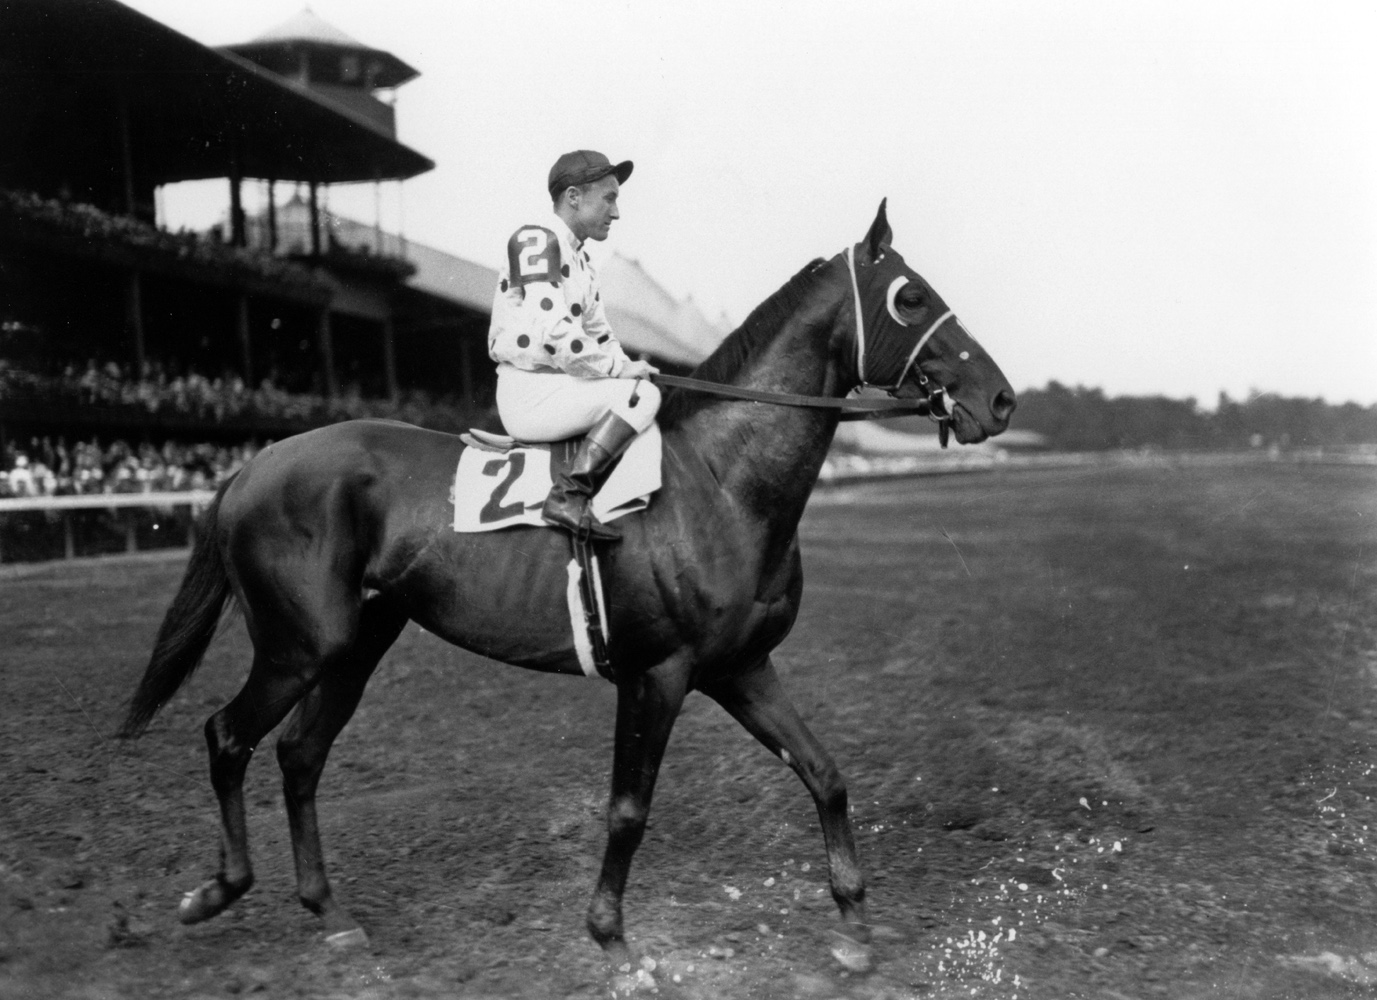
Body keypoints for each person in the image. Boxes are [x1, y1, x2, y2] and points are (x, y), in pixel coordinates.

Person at [488, 150, 661, 541]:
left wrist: (628, 364)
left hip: (557, 387)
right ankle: (568, 496)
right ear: (573, 197)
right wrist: (620, 372)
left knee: (644, 389)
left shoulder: (583, 262)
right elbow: (554, 331)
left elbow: (601, 336)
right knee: (640, 399)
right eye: (610, 198)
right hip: (529, 393)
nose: (615, 213)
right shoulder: (535, 239)